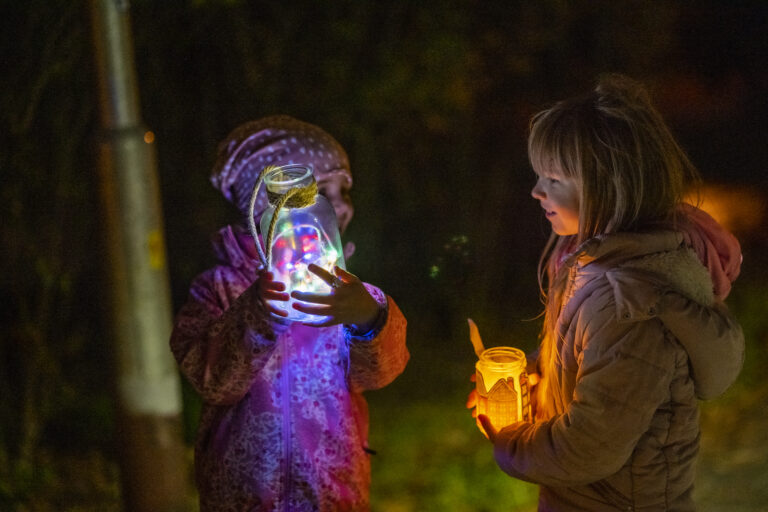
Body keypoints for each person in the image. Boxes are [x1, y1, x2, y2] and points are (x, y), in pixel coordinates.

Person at [467, 74, 744, 510]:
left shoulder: (628, 302)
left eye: (555, 178)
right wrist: (533, 380)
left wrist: (509, 440)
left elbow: (589, 446)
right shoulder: (593, 266)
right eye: (540, 175)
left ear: (609, 187)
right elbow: (593, 366)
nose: (537, 191)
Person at [170, 115, 409, 511]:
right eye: (323, 192)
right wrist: (258, 314)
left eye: (343, 191)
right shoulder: (219, 289)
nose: (342, 206)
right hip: (245, 498)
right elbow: (213, 382)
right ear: (269, 204)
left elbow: (381, 371)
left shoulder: (345, 294)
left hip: (332, 494)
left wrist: (370, 320)